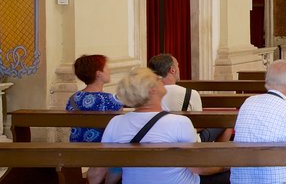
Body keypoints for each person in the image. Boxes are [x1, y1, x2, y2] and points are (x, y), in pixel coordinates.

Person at [88, 67, 218, 184]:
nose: (161, 80)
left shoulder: (116, 122)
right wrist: (225, 165)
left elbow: (97, 172)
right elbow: (197, 168)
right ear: (152, 90)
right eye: (157, 79)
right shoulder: (180, 122)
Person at [148, 53, 230, 149]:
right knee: (227, 122)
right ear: (172, 70)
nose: (179, 69)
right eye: (178, 66)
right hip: (188, 143)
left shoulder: (146, 93)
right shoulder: (190, 94)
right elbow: (199, 125)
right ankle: (216, 160)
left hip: (156, 141)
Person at [66, 54, 123, 142]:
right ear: (98, 74)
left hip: (77, 146)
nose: (109, 71)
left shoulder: (73, 98)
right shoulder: (111, 100)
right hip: (101, 148)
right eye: (106, 68)